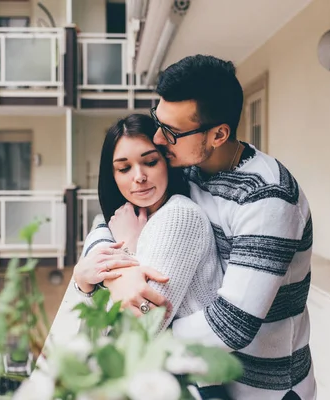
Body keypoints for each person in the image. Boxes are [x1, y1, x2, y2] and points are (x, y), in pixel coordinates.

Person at [74, 55, 316, 400]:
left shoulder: (268, 200)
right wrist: (118, 265)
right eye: (158, 121)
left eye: (170, 131)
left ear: (218, 134)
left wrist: (141, 325)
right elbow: (114, 214)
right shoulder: (187, 164)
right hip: (205, 382)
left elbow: (230, 326)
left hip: (264, 388)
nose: (158, 138)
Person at [72, 113, 224, 333]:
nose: (139, 176)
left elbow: (136, 328)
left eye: (150, 162)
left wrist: (128, 247)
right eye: (124, 168)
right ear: (112, 176)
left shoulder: (180, 216)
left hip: (194, 362)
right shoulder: (131, 216)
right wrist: (81, 278)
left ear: (167, 163)